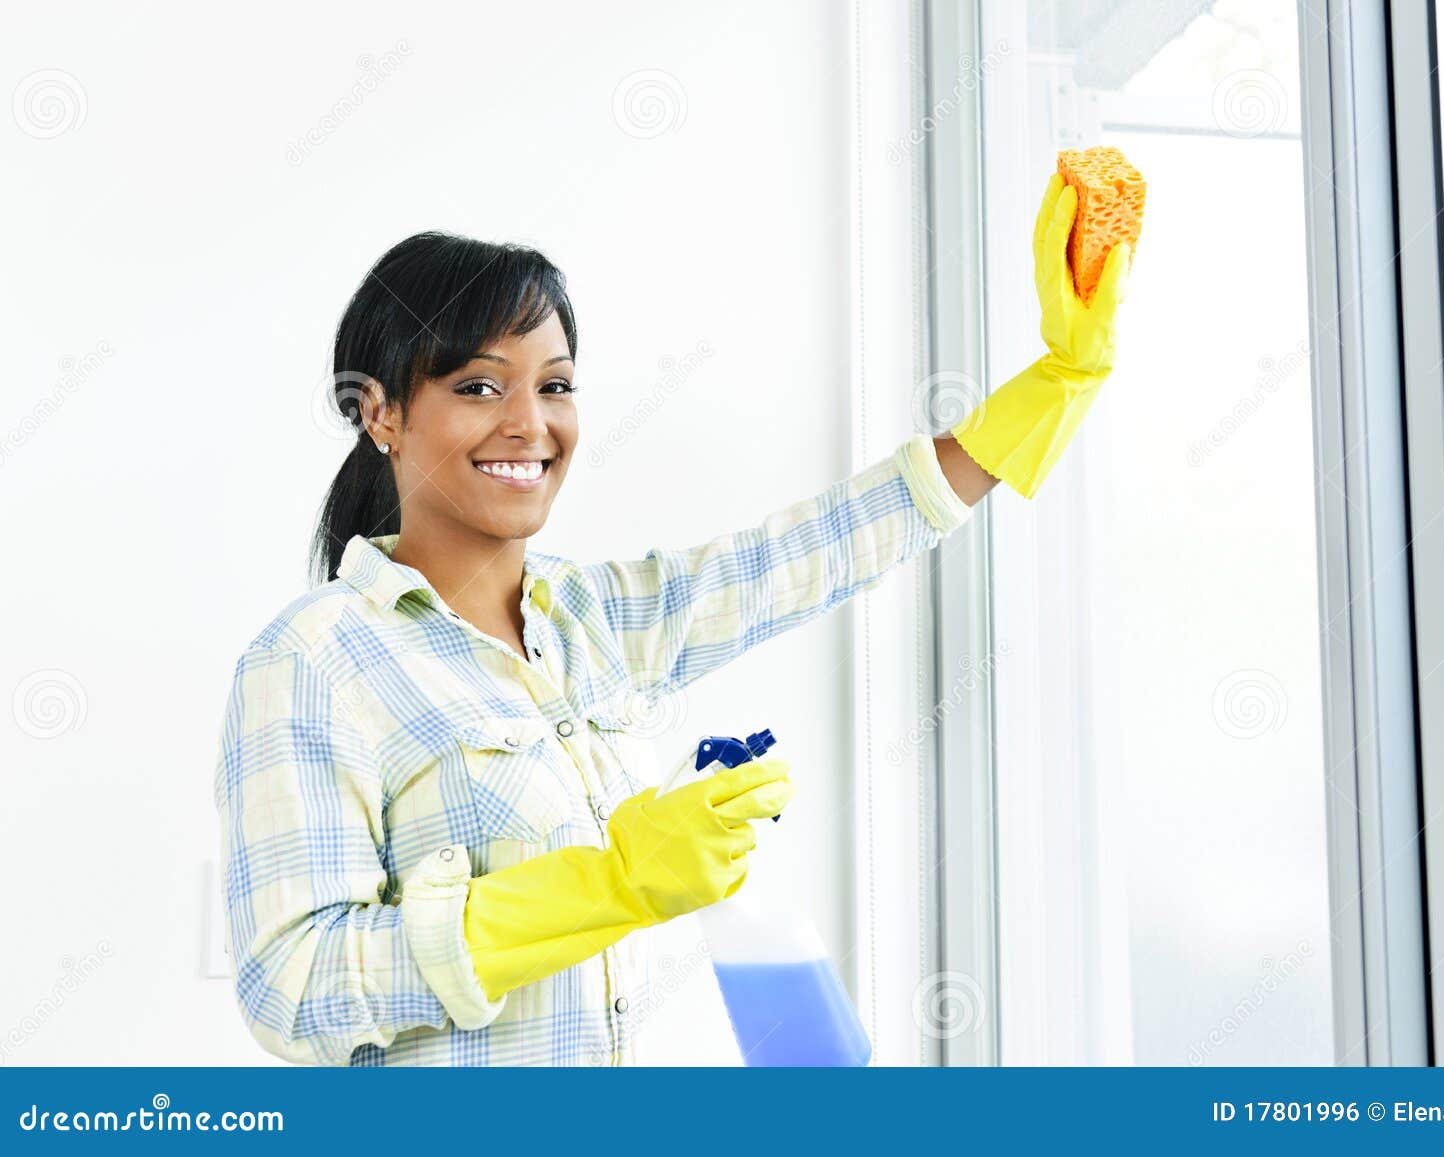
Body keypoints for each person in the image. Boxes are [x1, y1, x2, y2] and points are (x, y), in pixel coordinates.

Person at [210, 170, 1131, 1066]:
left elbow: (811, 553)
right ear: (380, 414)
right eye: (480, 387)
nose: (531, 423)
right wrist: (610, 881)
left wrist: (1057, 382)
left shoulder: (591, 619)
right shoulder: (315, 660)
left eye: (556, 385)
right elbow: (294, 987)